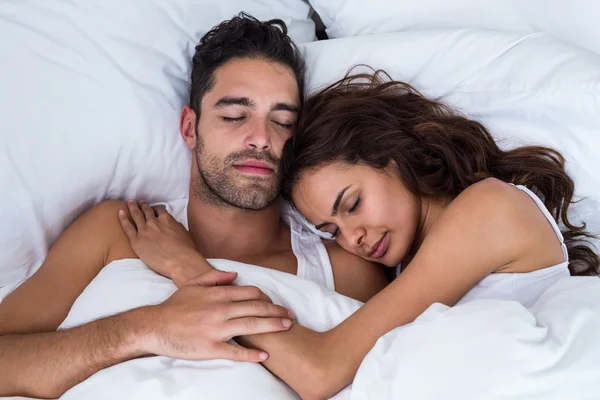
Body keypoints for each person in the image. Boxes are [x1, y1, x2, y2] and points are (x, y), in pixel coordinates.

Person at [123, 70, 599, 399]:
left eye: (351, 204)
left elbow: (320, 371)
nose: (353, 238)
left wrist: (188, 268)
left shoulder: (489, 208)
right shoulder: (400, 265)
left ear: (393, 156)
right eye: (331, 230)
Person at [0, 16, 387, 398]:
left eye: (283, 122)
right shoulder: (117, 231)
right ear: (189, 128)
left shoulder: (344, 269)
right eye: (235, 116)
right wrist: (143, 329)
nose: (261, 138)